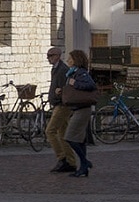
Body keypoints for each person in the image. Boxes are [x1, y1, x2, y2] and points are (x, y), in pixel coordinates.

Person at [60, 50, 99, 178]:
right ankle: (83, 168)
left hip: (82, 110)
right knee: (80, 140)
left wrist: (75, 83)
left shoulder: (80, 73)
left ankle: (85, 162)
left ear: (76, 60)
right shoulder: (72, 73)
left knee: (69, 137)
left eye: (70, 58)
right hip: (78, 109)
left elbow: (91, 85)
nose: (67, 61)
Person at [42, 47, 76, 173]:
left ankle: (62, 158)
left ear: (57, 55)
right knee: (62, 134)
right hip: (59, 104)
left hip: (62, 106)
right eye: (47, 55)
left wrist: (58, 94)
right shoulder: (56, 69)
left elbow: (66, 88)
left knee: (50, 131)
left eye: (50, 55)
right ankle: (71, 162)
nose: (48, 58)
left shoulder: (62, 70)